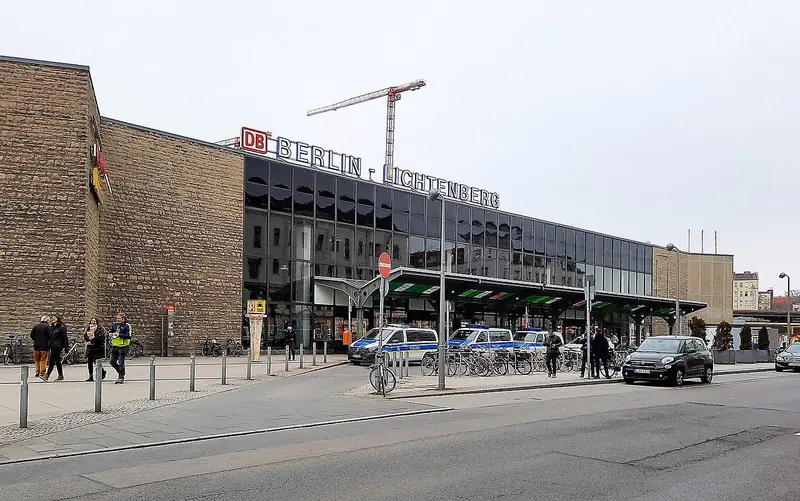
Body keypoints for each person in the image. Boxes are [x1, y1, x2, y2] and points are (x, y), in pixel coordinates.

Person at [108, 312, 131, 384]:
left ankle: (121, 377)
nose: (117, 320)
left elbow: (128, 336)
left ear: (123, 319)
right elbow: (111, 331)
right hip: (114, 345)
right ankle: (121, 372)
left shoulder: (127, 326)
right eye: (117, 318)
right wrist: (110, 334)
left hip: (123, 346)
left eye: (119, 318)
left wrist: (119, 335)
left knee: (121, 362)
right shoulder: (115, 325)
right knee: (112, 361)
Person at [43, 316, 68, 381]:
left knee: (51, 361)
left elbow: (65, 338)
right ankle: (60, 375)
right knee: (57, 361)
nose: (53, 319)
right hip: (52, 345)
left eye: (54, 318)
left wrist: (66, 348)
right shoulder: (52, 328)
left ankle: (47, 375)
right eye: (52, 318)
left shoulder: (61, 328)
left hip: (57, 346)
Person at [84, 317, 107, 382]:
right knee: (89, 362)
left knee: (96, 361)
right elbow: (85, 336)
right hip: (90, 348)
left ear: (97, 322)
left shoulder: (100, 329)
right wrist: (88, 339)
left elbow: (100, 337)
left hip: (97, 347)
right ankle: (90, 376)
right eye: (92, 321)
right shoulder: (89, 328)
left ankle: (102, 372)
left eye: (94, 322)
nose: (93, 323)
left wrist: (92, 341)